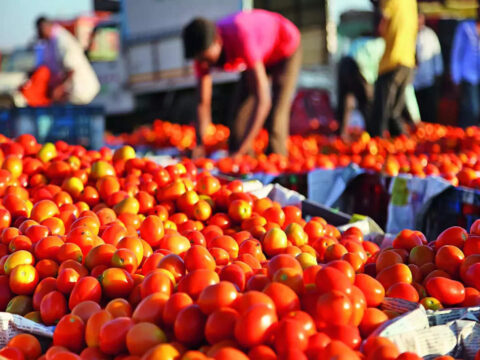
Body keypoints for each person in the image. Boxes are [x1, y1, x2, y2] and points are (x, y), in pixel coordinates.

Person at [182, 10, 301, 157]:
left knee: (276, 117)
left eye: (207, 58)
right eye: (200, 60)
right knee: (238, 119)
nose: (204, 64)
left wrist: (241, 150)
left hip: (285, 46)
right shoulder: (201, 57)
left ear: (217, 41)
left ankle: (277, 164)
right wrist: (199, 145)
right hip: (259, 55)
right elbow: (202, 102)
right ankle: (245, 164)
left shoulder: (240, 35)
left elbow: (263, 100)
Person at [337, 36, 420, 137]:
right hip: (357, 67)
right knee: (367, 103)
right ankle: (373, 137)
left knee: (346, 101)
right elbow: (407, 91)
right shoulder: (393, 53)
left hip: (345, 63)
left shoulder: (386, 45)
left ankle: (342, 133)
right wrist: (416, 119)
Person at [369, 0, 418, 137]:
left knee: (381, 111)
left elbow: (381, 27)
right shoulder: (411, 3)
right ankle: (402, 145)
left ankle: (378, 145)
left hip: (392, 61)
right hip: (408, 61)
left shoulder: (390, 1)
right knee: (395, 111)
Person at [36, 16, 100, 105]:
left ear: (45, 28)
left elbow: (71, 69)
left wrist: (59, 89)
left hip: (83, 92)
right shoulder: (49, 42)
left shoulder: (62, 41)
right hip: (73, 93)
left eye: (39, 31)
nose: (38, 34)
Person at [451, 11, 480, 128]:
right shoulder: (465, 27)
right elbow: (457, 52)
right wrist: (456, 77)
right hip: (469, 76)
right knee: (471, 111)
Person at [414, 12, 443, 124]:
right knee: (417, 112)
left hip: (428, 79)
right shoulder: (408, 33)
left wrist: (438, 73)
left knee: (429, 111)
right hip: (413, 81)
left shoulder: (430, 35)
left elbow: (437, 54)